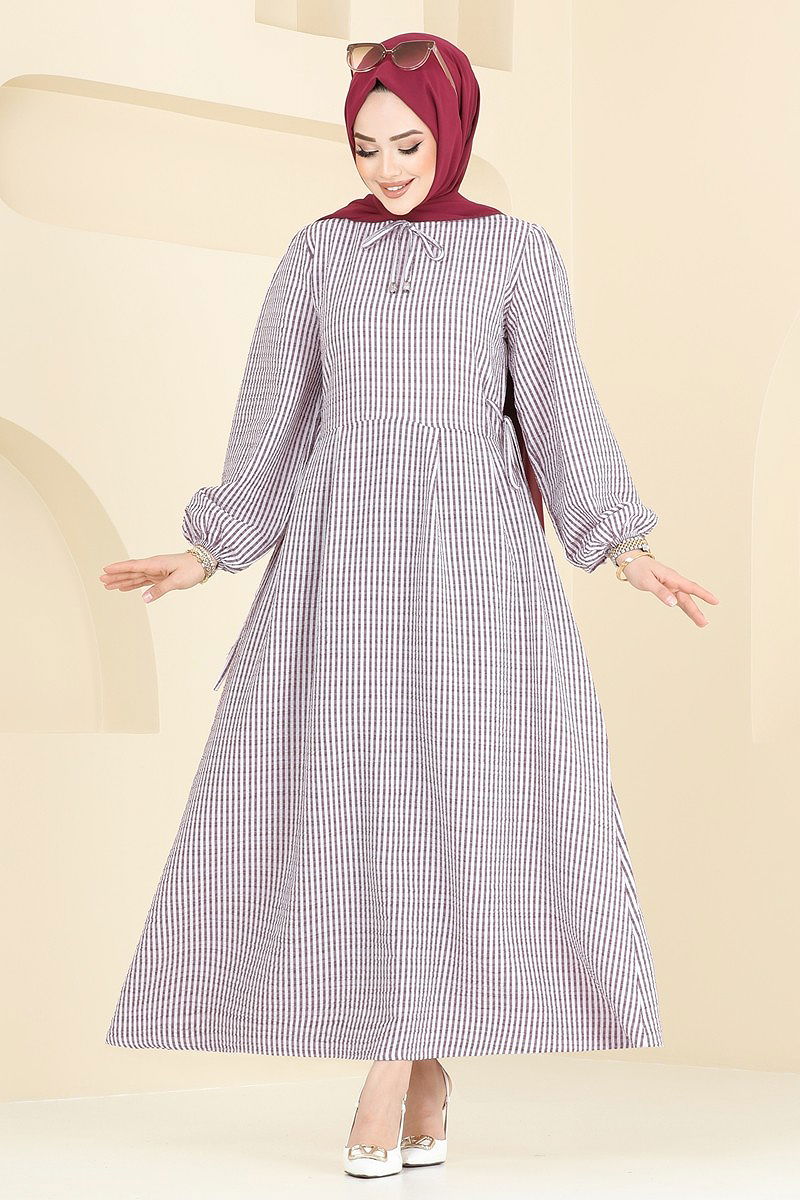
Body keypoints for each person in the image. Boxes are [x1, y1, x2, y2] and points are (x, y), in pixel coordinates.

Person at [100, 32, 719, 1179]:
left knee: (456, 799)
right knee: (367, 802)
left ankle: (392, 1069)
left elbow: (557, 408)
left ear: (453, 132)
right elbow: (273, 416)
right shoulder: (316, 256)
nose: (384, 169)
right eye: (363, 146)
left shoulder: (516, 254)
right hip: (341, 566)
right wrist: (209, 550)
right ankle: (413, 1063)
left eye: (406, 144)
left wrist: (622, 545)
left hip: (475, 569)